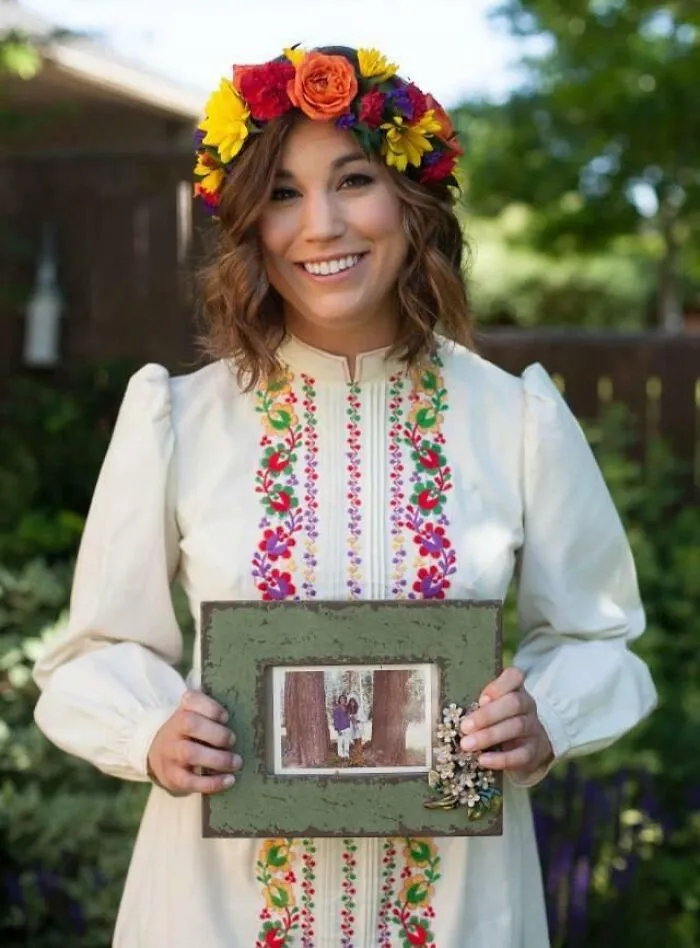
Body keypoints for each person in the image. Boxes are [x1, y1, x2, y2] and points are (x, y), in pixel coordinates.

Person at [32, 44, 656, 948]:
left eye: (353, 181)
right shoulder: (177, 418)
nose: (320, 225)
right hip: (217, 909)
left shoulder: (514, 416)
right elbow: (93, 651)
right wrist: (151, 728)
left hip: (459, 911)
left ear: (410, 199)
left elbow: (598, 636)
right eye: (283, 193)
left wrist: (547, 715)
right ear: (249, 222)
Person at [333, 694, 352, 759]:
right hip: (340, 728)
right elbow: (335, 719)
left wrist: (349, 719)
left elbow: (349, 717)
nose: (342, 700)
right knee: (340, 742)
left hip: (347, 727)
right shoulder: (337, 708)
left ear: (345, 700)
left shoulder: (347, 708)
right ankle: (340, 755)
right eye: (341, 699)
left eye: (343, 699)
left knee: (347, 742)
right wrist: (337, 729)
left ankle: (346, 755)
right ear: (339, 700)